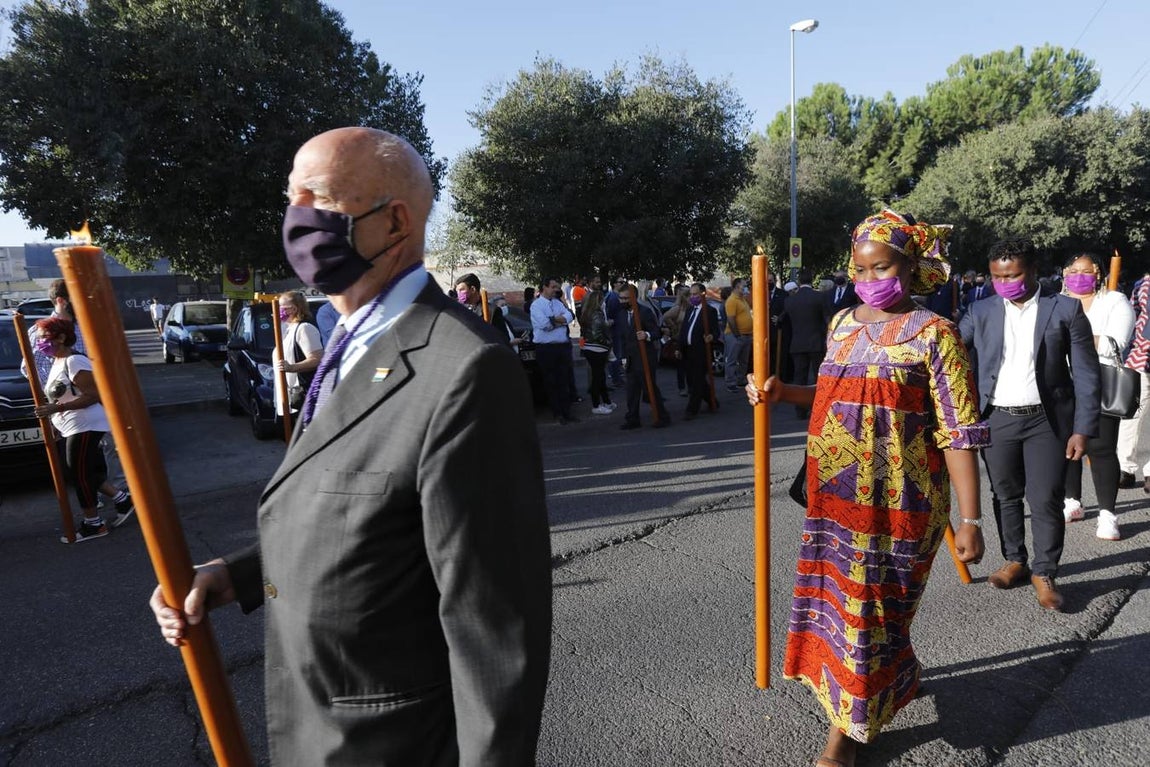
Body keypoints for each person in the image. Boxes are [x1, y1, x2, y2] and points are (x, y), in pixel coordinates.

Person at [149, 127, 552, 765]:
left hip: (393, 743)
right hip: (315, 730)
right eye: (291, 197)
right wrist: (237, 575)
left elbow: (494, 627)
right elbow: (361, 507)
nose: (296, 218)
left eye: (321, 199)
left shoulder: (467, 367)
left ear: (394, 221)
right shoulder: (347, 340)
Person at [746, 210, 986, 767]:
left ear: (911, 266)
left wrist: (971, 520)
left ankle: (848, 735)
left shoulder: (936, 335)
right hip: (835, 498)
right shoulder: (842, 325)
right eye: (859, 268)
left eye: (881, 267)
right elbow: (832, 390)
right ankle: (886, 686)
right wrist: (784, 391)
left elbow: (959, 432)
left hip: (903, 503)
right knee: (848, 611)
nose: (868, 278)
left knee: (874, 613)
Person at [959, 237, 1100, 612]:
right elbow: (951, 351)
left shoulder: (1065, 310)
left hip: (1047, 421)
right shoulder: (980, 311)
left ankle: (1045, 571)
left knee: (1045, 498)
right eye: (997, 276)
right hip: (997, 418)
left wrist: (1082, 428)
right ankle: (1015, 560)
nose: (1005, 282)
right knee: (1005, 494)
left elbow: (1086, 375)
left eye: (1014, 274)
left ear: (1034, 270)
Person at [32, 317, 135, 542]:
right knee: (80, 472)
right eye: (38, 339)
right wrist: (56, 421)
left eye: (43, 338)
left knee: (79, 475)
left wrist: (56, 408)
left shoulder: (75, 361)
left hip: (86, 424)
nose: (40, 343)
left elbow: (92, 395)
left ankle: (94, 524)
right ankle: (122, 499)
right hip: (71, 426)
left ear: (61, 337)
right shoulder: (57, 362)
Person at [1059, 253, 1134, 540]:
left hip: (1101, 382)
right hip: (1062, 382)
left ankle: (1107, 514)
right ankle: (1072, 501)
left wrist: (1074, 338)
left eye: (1085, 270)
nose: (1078, 275)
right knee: (1065, 446)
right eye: (1072, 269)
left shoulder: (1115, 302)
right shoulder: (1058, 302)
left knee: (1101, 448)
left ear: (1098, 273)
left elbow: (1115, 343)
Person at [23, 278, 125, 489]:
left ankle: (123, 492)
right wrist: (59, 395)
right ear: (61, 301)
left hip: (96, 397)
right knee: (80, 461)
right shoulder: (42, 332)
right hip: (70, 407)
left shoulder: (84, 326)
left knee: (116, 444)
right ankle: (101, 499)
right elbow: (30, 369)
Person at [617, 282, 670, 430]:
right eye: (620, 298)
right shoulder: (621, 314)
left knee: (650, 388)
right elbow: (622, 338)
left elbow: (657, 332)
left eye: (626, 298)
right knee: (631, 390)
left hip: (645, 356)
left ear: (633, 298)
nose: (622, 301)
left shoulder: (645, 312)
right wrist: (622, 357)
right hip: (631, 358)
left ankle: (662, 416)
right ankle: (633, 418)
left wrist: (646, 334)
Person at [531, 277, 579, 424]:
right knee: (551, 381)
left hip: (562, 347)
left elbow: (570, 315)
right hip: (546, 348)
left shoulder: (558, 303)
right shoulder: (536, 306)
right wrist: (560, 321)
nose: (556, 290)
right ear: (544, 287)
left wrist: (557, 320)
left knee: (564, 380)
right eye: (553, 287)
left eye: (557, 287)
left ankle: (567, 412)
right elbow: (545, 324)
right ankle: (557, 413)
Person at [1118, 276, 1150, 490]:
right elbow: (1133, 317)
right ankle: (1124, 467)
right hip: (1142, 356)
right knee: (1132, 415)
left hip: (1140, 354)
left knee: (1133, 415)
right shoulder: (1143, 284)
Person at [782, 269, 825, 417]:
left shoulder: (790, 301)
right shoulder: (819, 297)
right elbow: (826, 320)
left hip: (798, 343)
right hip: (816, 343)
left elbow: (785, 321)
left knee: (799, 377)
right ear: (812, 280)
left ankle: (800, 410)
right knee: (819, 377)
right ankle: (820, 408)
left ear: (799, 282)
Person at [272, 290, 322, 415]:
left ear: (293, 309)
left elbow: (317, 359)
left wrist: (291, 367)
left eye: (281, 307)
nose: (277, 311)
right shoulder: (288, 329)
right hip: (288, 397)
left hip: (300, 397)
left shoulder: (305, 328)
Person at [678, 282, 718, 420]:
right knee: (695, 380)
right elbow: (684, 329)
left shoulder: (710, 311)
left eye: (695, 294)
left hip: (700, 351)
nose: (692, 297)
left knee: (697, 381)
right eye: (691, 294)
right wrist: (679, 347)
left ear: (703, 294)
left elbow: (715, 331)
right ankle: (712, 401)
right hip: (688, 350)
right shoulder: (690, 309)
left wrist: (711, 336)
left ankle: (691, 409)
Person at [580, 288, 615, 414]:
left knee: (599, 376)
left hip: (590, 347)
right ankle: (596, 405)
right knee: (598, 378)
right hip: (597, 348)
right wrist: (608, 343)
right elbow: (597, 334)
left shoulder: (587, 313)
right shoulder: (597, 313)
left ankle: (606, 401)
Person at [659, 285, 691, 396]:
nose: (691, 298)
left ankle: (691, 386)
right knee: (681, 365)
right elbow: (665, 316)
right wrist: (673, 327)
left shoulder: (691, 307)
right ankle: (682, 388)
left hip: (690, 339)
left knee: (690, 365)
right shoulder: (678, 308)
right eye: (688, 296)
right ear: (684, 297)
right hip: (680, 339)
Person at [724, 277, 752, 393]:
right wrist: (737, 335)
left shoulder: (742, 299)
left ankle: (740, 379)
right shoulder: (732, 300)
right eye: (744, 285)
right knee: (732, 359)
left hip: (746, 335)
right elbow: (731, 320)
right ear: (737, 286)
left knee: (743, 360)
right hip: (735, 335)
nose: (746, 287)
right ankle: (730, 382)